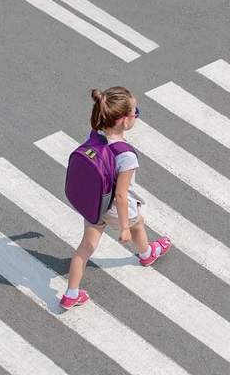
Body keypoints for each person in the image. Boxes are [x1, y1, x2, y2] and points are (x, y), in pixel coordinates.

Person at [60, 86, 171, 310]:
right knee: (138, 224)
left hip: (94, 204)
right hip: (114, 208)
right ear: (124, 121)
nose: (136, 116)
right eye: (135, 112)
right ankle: (147, 254)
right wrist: (124, 228)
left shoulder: (95, 135)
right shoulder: (126, 155)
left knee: (86, 247)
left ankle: (71, 294)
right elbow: (121, 194)